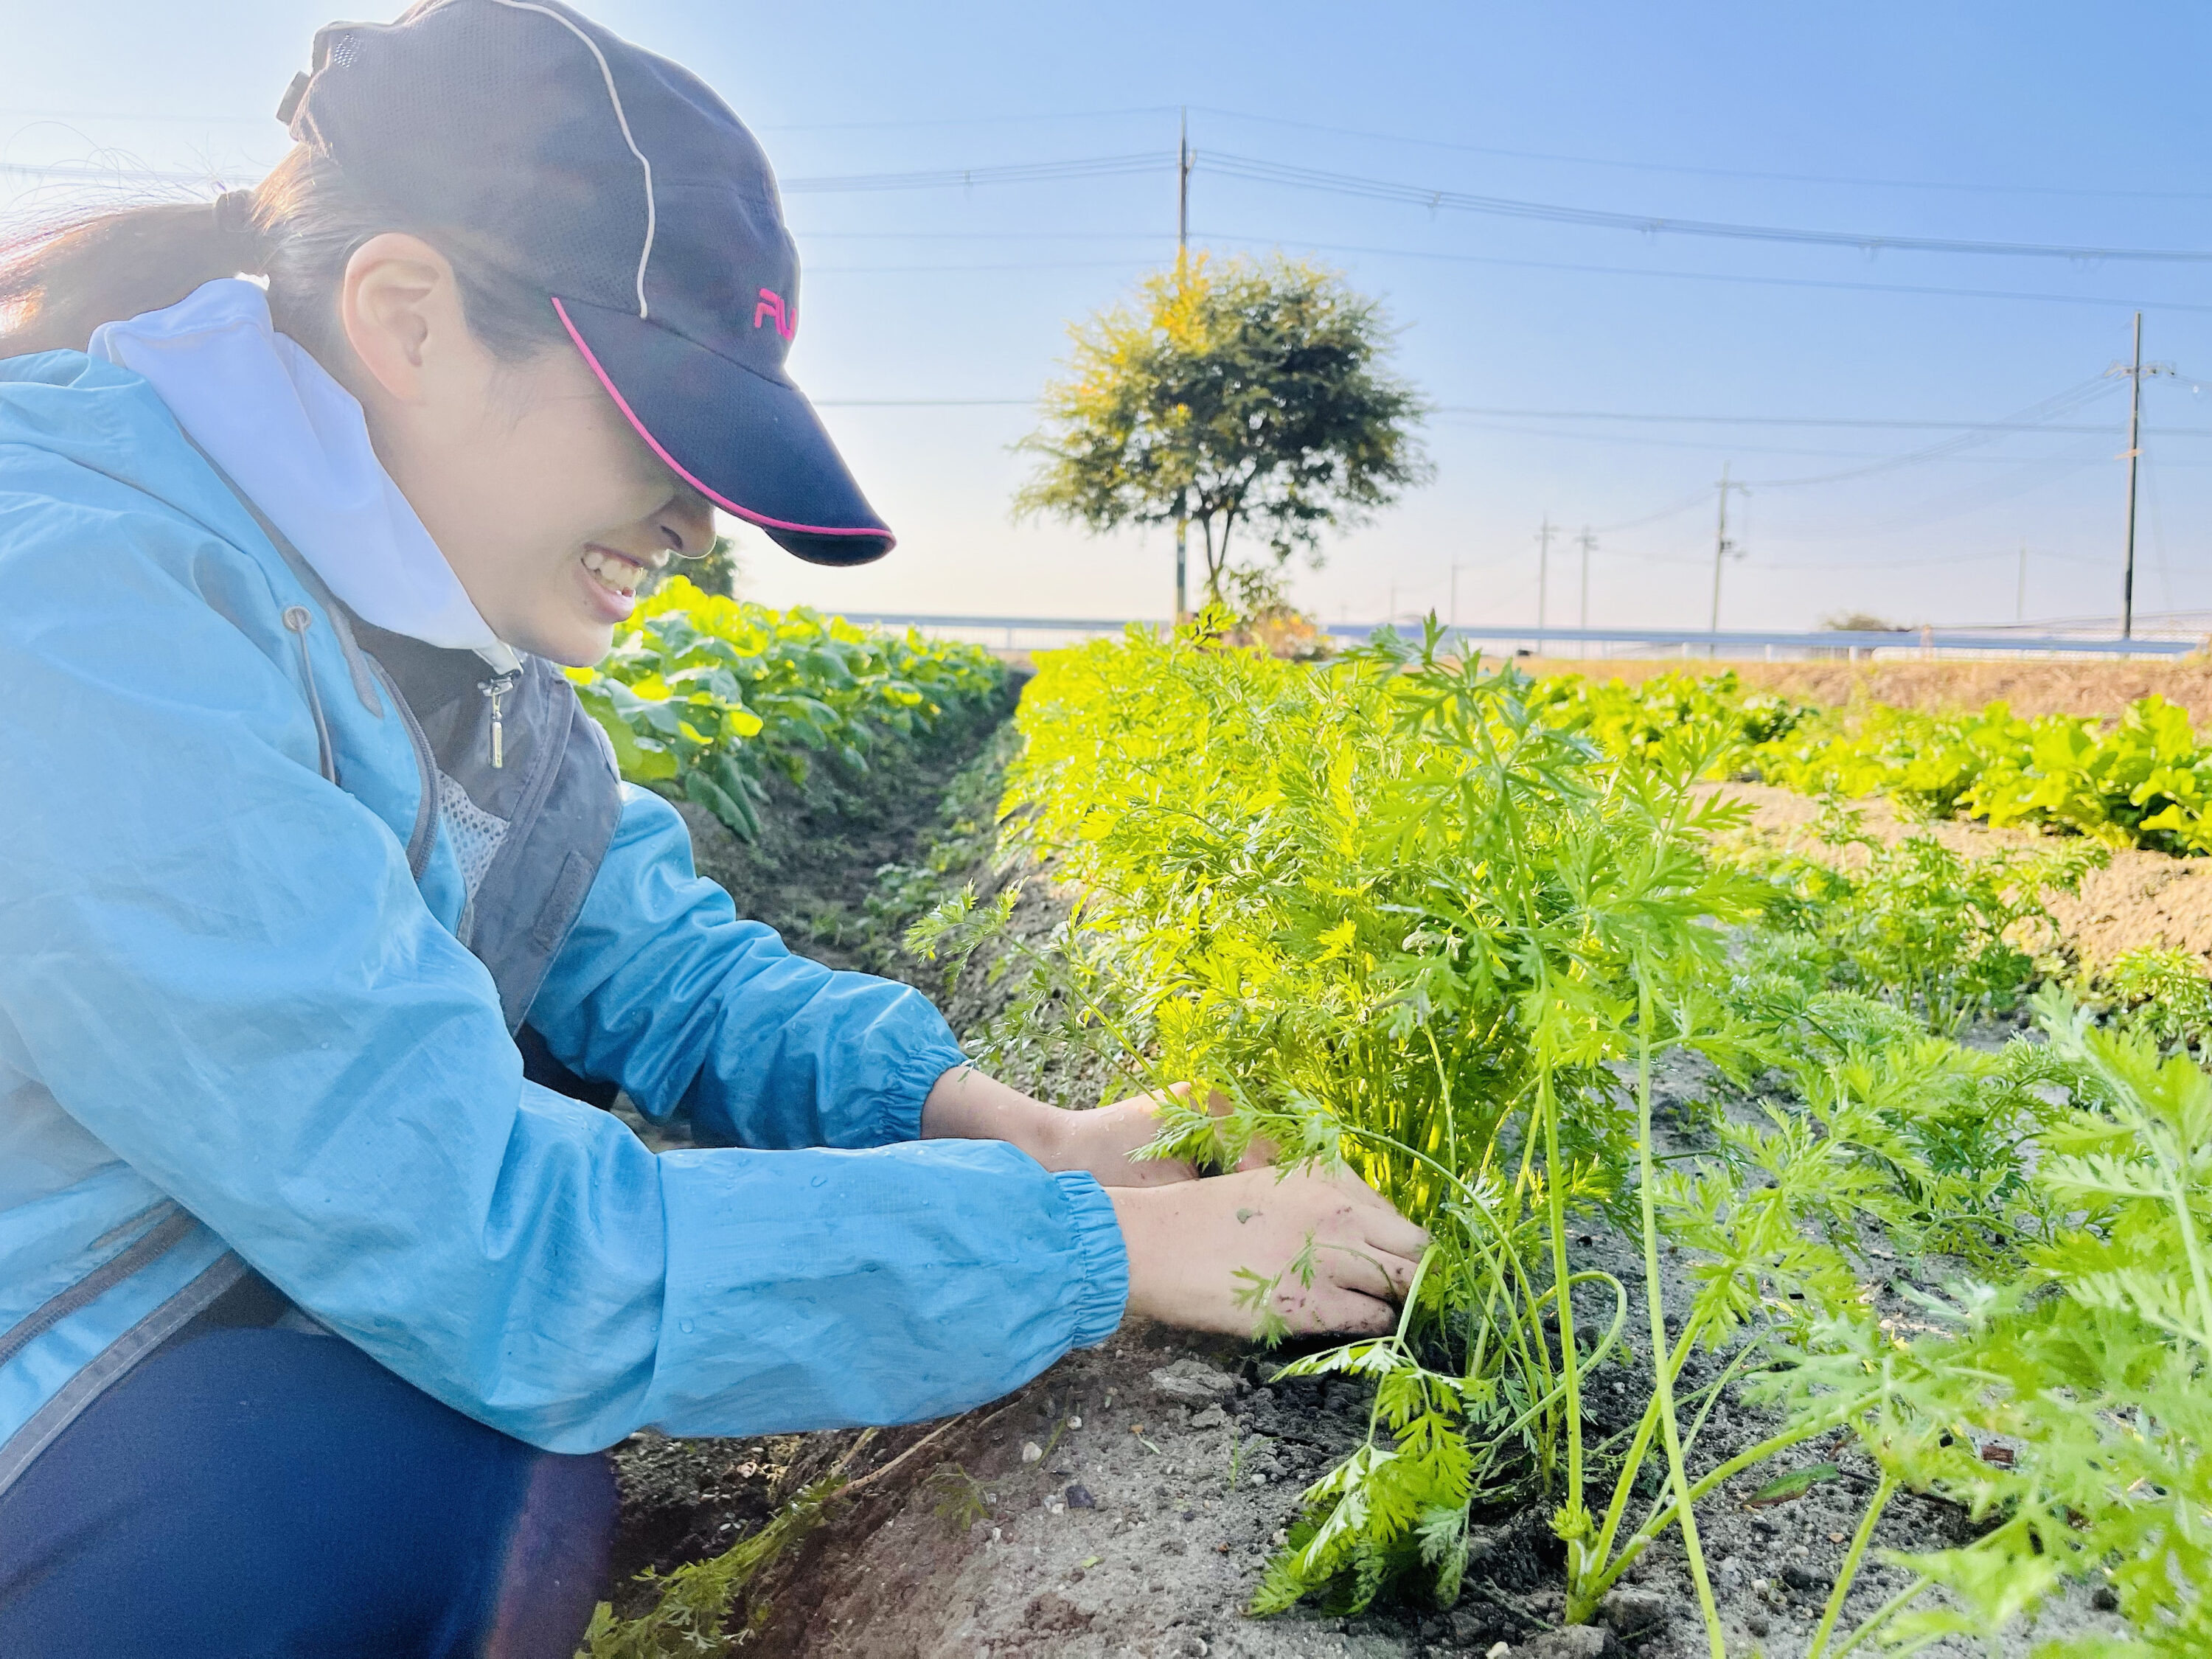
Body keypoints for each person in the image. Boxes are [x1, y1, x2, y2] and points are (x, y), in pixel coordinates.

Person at [0, 4, 1427, 1655]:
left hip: (170, 1295)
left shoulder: (453, 650)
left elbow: (660, 966)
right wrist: (1105, 1248)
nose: (696, 521)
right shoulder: (79, 616)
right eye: (659, 434)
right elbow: (500, 1250)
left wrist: (1033, 1135)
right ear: (409, 316)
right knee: (422, 1476)